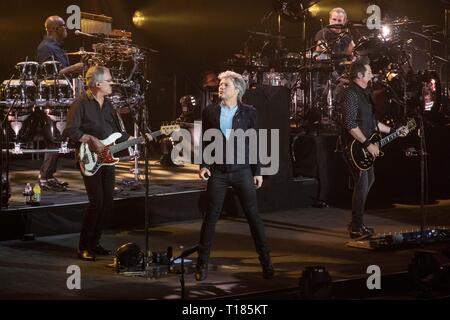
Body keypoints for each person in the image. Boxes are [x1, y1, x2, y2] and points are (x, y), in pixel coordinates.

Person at [195, 70, 274, 281]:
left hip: (242, 171)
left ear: (237, 89)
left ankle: (266, 263)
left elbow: (256, 141)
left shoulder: (249, 112)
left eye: (226, 85)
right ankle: (201, 265)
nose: (220, 87)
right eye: (220, 84)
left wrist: (258, 171)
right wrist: (203, 164)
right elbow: (205, 140)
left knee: (253, 217)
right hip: (219, 172)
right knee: (210, 218)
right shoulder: (210, 111)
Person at [63, 66, 132, 261]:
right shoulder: (81, 103)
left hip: (107, 158)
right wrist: (90, 139)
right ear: (98, 84)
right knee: (96, 202)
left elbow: (118, 132)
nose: (112, 84)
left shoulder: (109, 104)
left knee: (107, 202)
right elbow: (70, 130)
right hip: (88, 158)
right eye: (109, 81)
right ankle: (83, 246)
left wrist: (139, 138)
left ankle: (95, 242)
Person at [341, 58, 408, 238]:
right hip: (354, 146)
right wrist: (367, 144)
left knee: (368, 181)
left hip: (364, 144)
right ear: (359, 75)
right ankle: (356, 226)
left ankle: (357, 223)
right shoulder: (350, 94)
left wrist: (394, 131)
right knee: (362, 183)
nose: (372, 74)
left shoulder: (365, 94)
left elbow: (373, 124)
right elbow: (350, 125)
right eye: (369, 72)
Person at [36, 16, 84, 192]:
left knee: (70, 135)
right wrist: (74, 68)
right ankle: (44, 177)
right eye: (64, 26)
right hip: (54, 99)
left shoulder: (57, 48)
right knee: (55, 139)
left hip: (63, 98)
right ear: (55, 29)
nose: (67, 29)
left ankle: (49, 176)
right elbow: (48, 77)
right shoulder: (46, 48)